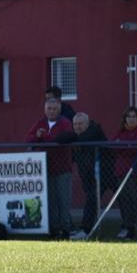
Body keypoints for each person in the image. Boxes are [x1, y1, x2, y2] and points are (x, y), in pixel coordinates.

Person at [27, 97, 76, 239]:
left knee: (64, 201)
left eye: (54, 108)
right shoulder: (40, 123)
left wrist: (46, 140)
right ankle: (54, 230)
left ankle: (66, 230)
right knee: (51, 202)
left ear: (59, 109)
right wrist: (37, 136)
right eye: (49, 108)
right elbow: (28, 139)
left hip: (62, 168)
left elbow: (66, 137)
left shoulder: (65, 123)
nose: (52, 111)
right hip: (45, 169)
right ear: (45, 110)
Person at [112, 106, 137, 240]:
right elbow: (115, 146)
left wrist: (125, 146)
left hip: (136, 172)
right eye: (129, 116)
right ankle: (129, 228)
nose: (131, 119)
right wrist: (127, 146)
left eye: (134, 116)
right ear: (124, 119)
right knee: (125, 200)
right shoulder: (120, 131)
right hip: (121, 172)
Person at [68, 112, 108, 240]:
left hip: (106, 174)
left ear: (87, 123)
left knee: (93, 199)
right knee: (91, 200)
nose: (77, 126)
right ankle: (87, 229)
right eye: (75, 124)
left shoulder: (94, 131)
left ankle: (85, 230)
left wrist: (71, 138)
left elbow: (83, 138)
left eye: (80, 123)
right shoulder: (77, 139)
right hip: (88, 176)